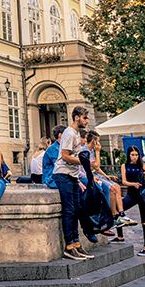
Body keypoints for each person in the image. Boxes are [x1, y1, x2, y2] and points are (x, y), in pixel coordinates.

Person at [53, 106, 93, 260]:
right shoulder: (69, 133)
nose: (87, 121)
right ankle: (69, 246)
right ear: (76, 117)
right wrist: (84, 163)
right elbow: (64, 156)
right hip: (63, 174)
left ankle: (76, 243)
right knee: (69, 210)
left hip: (72, 175)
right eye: (85, 118)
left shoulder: (76, 133)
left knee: (76, 209)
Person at [121, 145, 145, 255]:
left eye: (137, 155)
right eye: (132, 155)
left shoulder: (143, 165)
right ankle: (120, 237)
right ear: (128, 155)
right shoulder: (124, 166)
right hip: (131, 195)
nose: (135, 157)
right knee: (118, 212)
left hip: (143, 196)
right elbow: (124, 181)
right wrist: (133, 184)